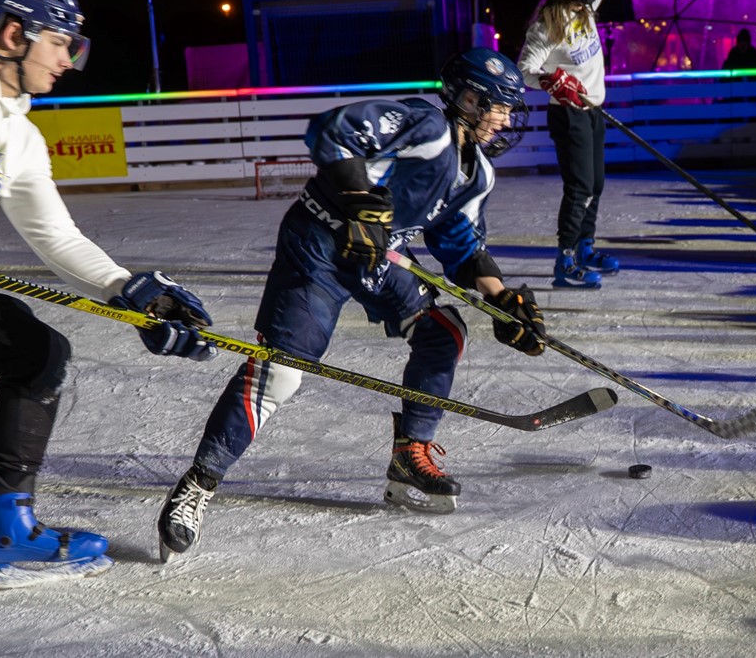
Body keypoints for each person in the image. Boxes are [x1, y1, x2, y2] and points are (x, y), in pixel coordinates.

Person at [156, 46, 548, 560]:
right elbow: (332, 130)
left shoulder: (477, 173)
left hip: (380, 259)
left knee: (444, 332)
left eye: (509, 109)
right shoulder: (424, 126)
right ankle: (198, 484)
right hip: (319, 247)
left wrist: (502, 299)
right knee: (282, 373)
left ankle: (410, 454)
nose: (505, 119)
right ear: (468, 98)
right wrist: (359, 197)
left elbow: (461, 243)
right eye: (497, 106)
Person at [0, 0, 218, 591]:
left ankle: (9, 533)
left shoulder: (18, 136)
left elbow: (55, 236)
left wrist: (133, 293)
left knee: (38, 353)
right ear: (13, 34)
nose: (69, 63)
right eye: (61, 44)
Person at [518, 0, 619, 289]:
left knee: (596, 184)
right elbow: (524, 70)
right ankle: (565, 261)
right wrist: (550, 82)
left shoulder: (587, 7)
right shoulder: (546, 28)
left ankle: (586, 246)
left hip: (594, 109)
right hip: (570, 116)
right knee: (579, 188)